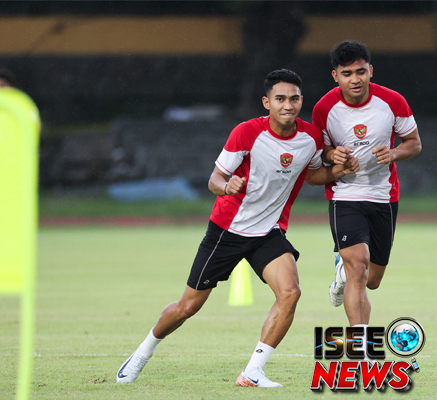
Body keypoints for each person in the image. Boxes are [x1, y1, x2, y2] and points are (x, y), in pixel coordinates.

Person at [116, 69, 359, 387]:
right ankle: (141, 353)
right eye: (280, 98)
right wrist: (227, 186)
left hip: (269, 233)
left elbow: (313, 175)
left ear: (301, 101)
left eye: (294, 98)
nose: (288, 105)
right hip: (226, 232)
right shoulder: (246, 133)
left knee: (290, 292)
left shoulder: (310, 137)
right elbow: (213, 179)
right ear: (266, 102)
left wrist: (341, 169)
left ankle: (253, 372)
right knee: (187, 306)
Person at [312, 41, 422, 351]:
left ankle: (340, 270)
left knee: (372, 280)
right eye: (347, 74)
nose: (356, 79)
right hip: (344, 194)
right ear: (336, 75)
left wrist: (394, 153)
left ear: (371, 70)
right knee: (357, 269)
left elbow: (414, 143)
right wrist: (337, 155)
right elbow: (319, 153)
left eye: (361, 71)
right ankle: (361, 349)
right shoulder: (324, 109)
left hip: (384, 197)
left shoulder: (392, 101)